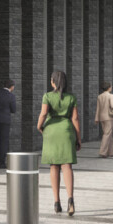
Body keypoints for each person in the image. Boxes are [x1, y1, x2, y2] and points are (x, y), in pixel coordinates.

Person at [36, 70, 81, 215]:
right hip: (66, 131)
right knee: (67, 166)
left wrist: (39, 126)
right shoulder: (71, 97)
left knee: (54, 166)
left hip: (51, 131)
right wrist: (78, 137)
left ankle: (56, 202)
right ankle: (71, 200)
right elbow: (75, 119)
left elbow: (43, 113)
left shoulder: (47, 96)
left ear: (53, 81)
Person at [0, 78, 17, 169]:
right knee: (4, 141)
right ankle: (1, 162)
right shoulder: (11, 96)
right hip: (5, 120)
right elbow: (13, 110)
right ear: (12, 87)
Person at [95, 80, 113, 158]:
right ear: (108, 87)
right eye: (111, 86)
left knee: (108, 134)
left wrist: (96, 118)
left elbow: (98, 108)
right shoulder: (111, 95)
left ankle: (110, 152)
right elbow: (112, 106)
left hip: (102, 117)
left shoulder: (99, 96)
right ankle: (102, 152)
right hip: (109, 117)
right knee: (107, 134)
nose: (111, 87)